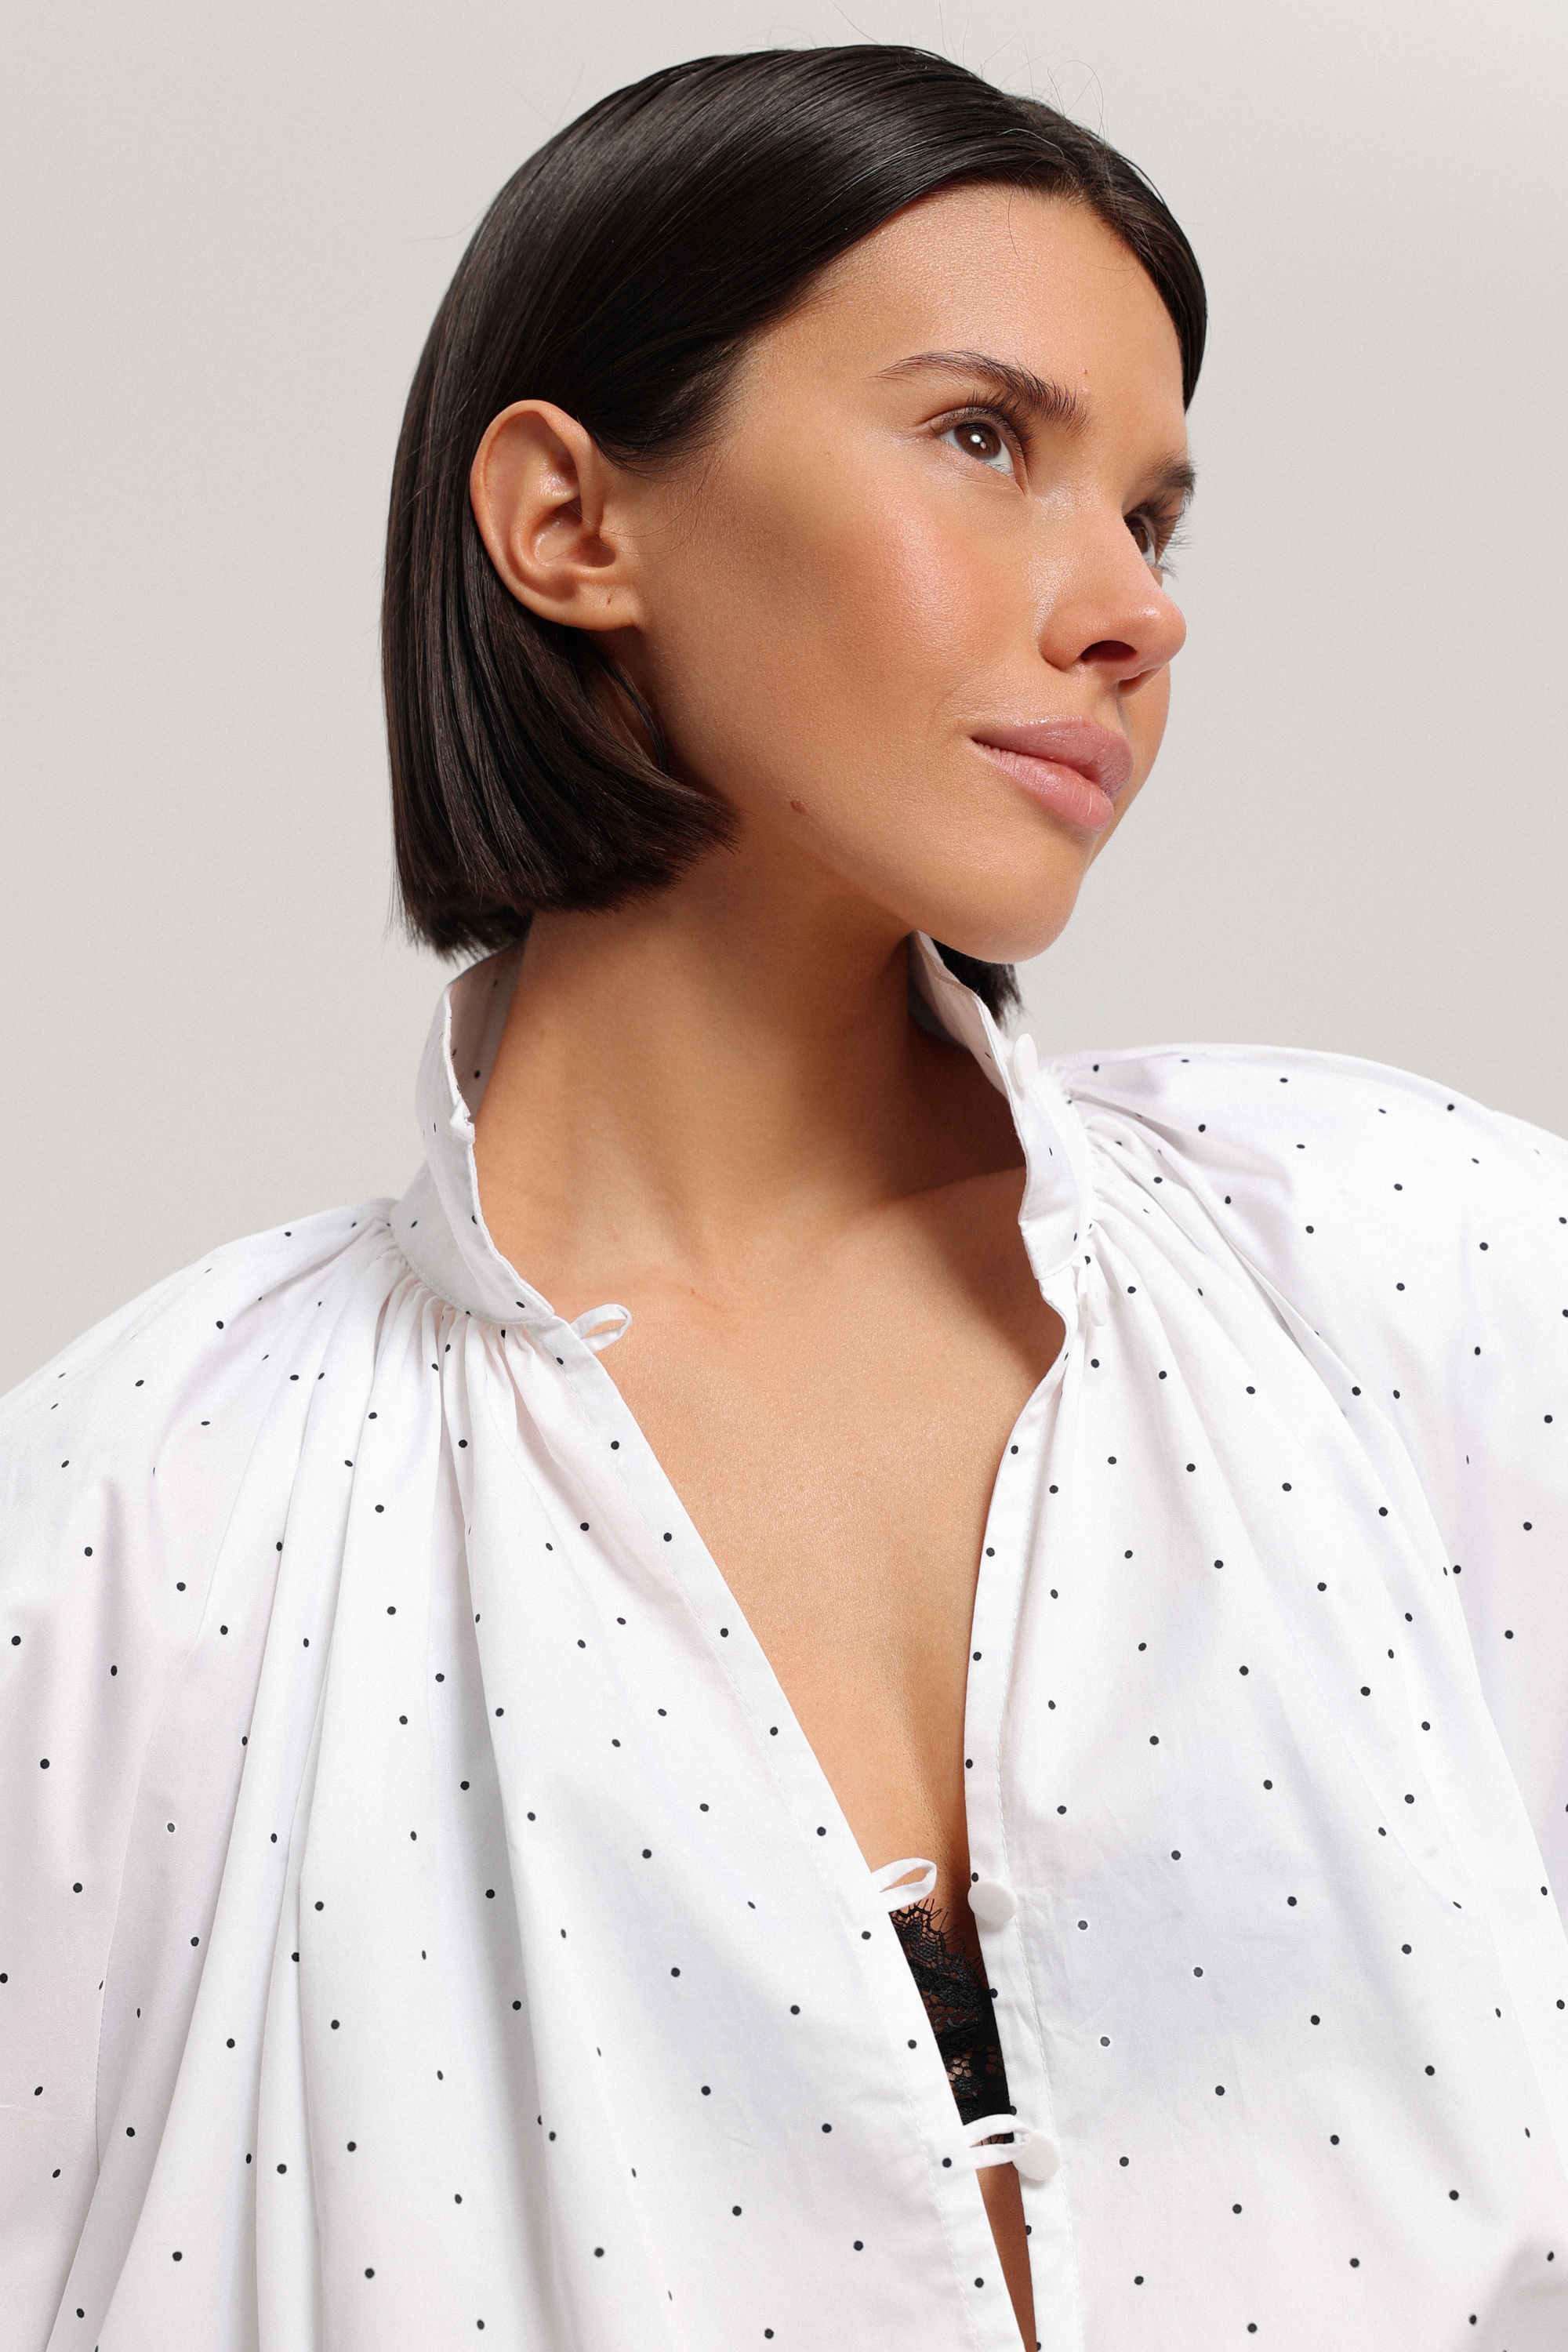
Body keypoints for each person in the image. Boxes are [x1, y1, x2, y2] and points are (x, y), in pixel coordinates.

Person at [2, 42, 1564, 2352]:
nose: (1134, 610)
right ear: (571, 522)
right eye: (985, 439)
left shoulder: (1421, 1274)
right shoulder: (126, 1540)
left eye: (1152, 518)